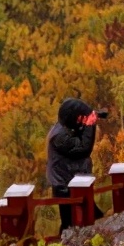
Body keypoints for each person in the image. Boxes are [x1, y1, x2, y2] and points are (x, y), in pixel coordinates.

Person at [47, 97, 98, 231]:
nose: (81, 120)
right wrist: (89, 126)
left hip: (74, 183)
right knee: (70, 224)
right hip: (65, 185)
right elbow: (83, 149)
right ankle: (64, 242)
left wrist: (88, 123)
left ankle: (68, 241)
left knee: (88, 218)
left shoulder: (67, 129)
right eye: (79, 117)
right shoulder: (59, 136)